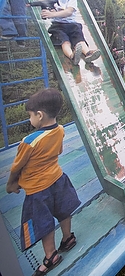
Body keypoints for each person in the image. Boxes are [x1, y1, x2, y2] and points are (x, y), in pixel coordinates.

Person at [6, 88, 80, 276]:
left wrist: (11, 184)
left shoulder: (29, 141)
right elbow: (60, 151)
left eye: (30, 116)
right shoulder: (60, 130)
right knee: (63, 210)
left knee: (42, 222)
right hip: (58, 178)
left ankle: (50, 256)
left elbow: (16, 167)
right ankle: (68, 238)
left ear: (39, 115)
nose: (30, 119)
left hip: (38, 191)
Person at [41, 0, 101, 65]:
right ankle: (72, 56)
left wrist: (53, 14)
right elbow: (45, 9)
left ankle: (88, 54)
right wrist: (47, 12)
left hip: (72, 24)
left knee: (80, 39)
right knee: (65, 42)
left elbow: (69, 12)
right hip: (57, 26)